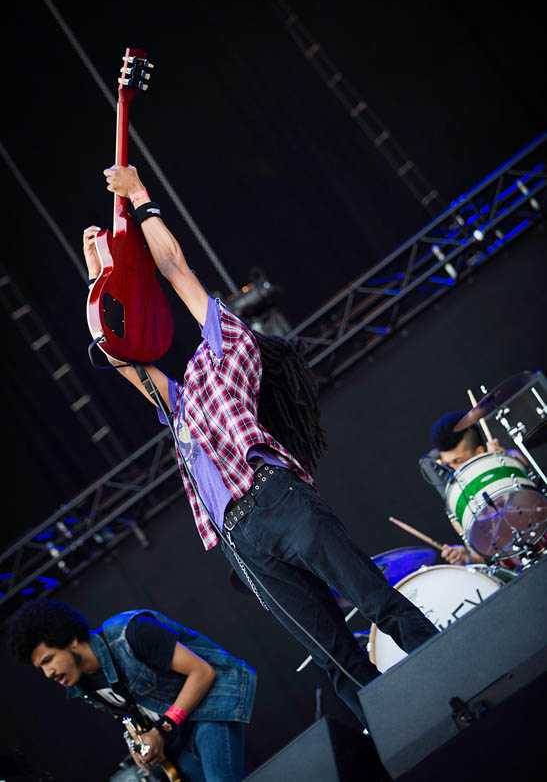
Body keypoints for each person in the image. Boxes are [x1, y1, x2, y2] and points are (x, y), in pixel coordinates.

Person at [83, 163, 438, 725]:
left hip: (276, 499)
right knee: (331, 655)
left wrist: (141, 197)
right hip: (240, 539)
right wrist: (99, 277)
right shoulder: (182, 400)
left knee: (374, 601)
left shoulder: (229, 352)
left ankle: (451, 679)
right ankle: (400, 727)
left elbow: (174, 267)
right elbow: (123, 359)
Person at [7, 598, 255, 781]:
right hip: (176, 737)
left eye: (48, 659)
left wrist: (162, 729)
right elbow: (125, 711)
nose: (48, 674)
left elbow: (203, 672)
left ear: (71, 640)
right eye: (40, 668)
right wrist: (133, 740)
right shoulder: (81, 684)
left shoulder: (132, 632)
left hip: (209, 708)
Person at [419, 411, 524, 566]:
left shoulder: (511, 460)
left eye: (458, 461)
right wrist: (465, 557)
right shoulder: (458, 501)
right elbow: (480, 559)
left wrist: (504, 467)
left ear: (479, 452)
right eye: (449, 465)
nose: (454, 470)